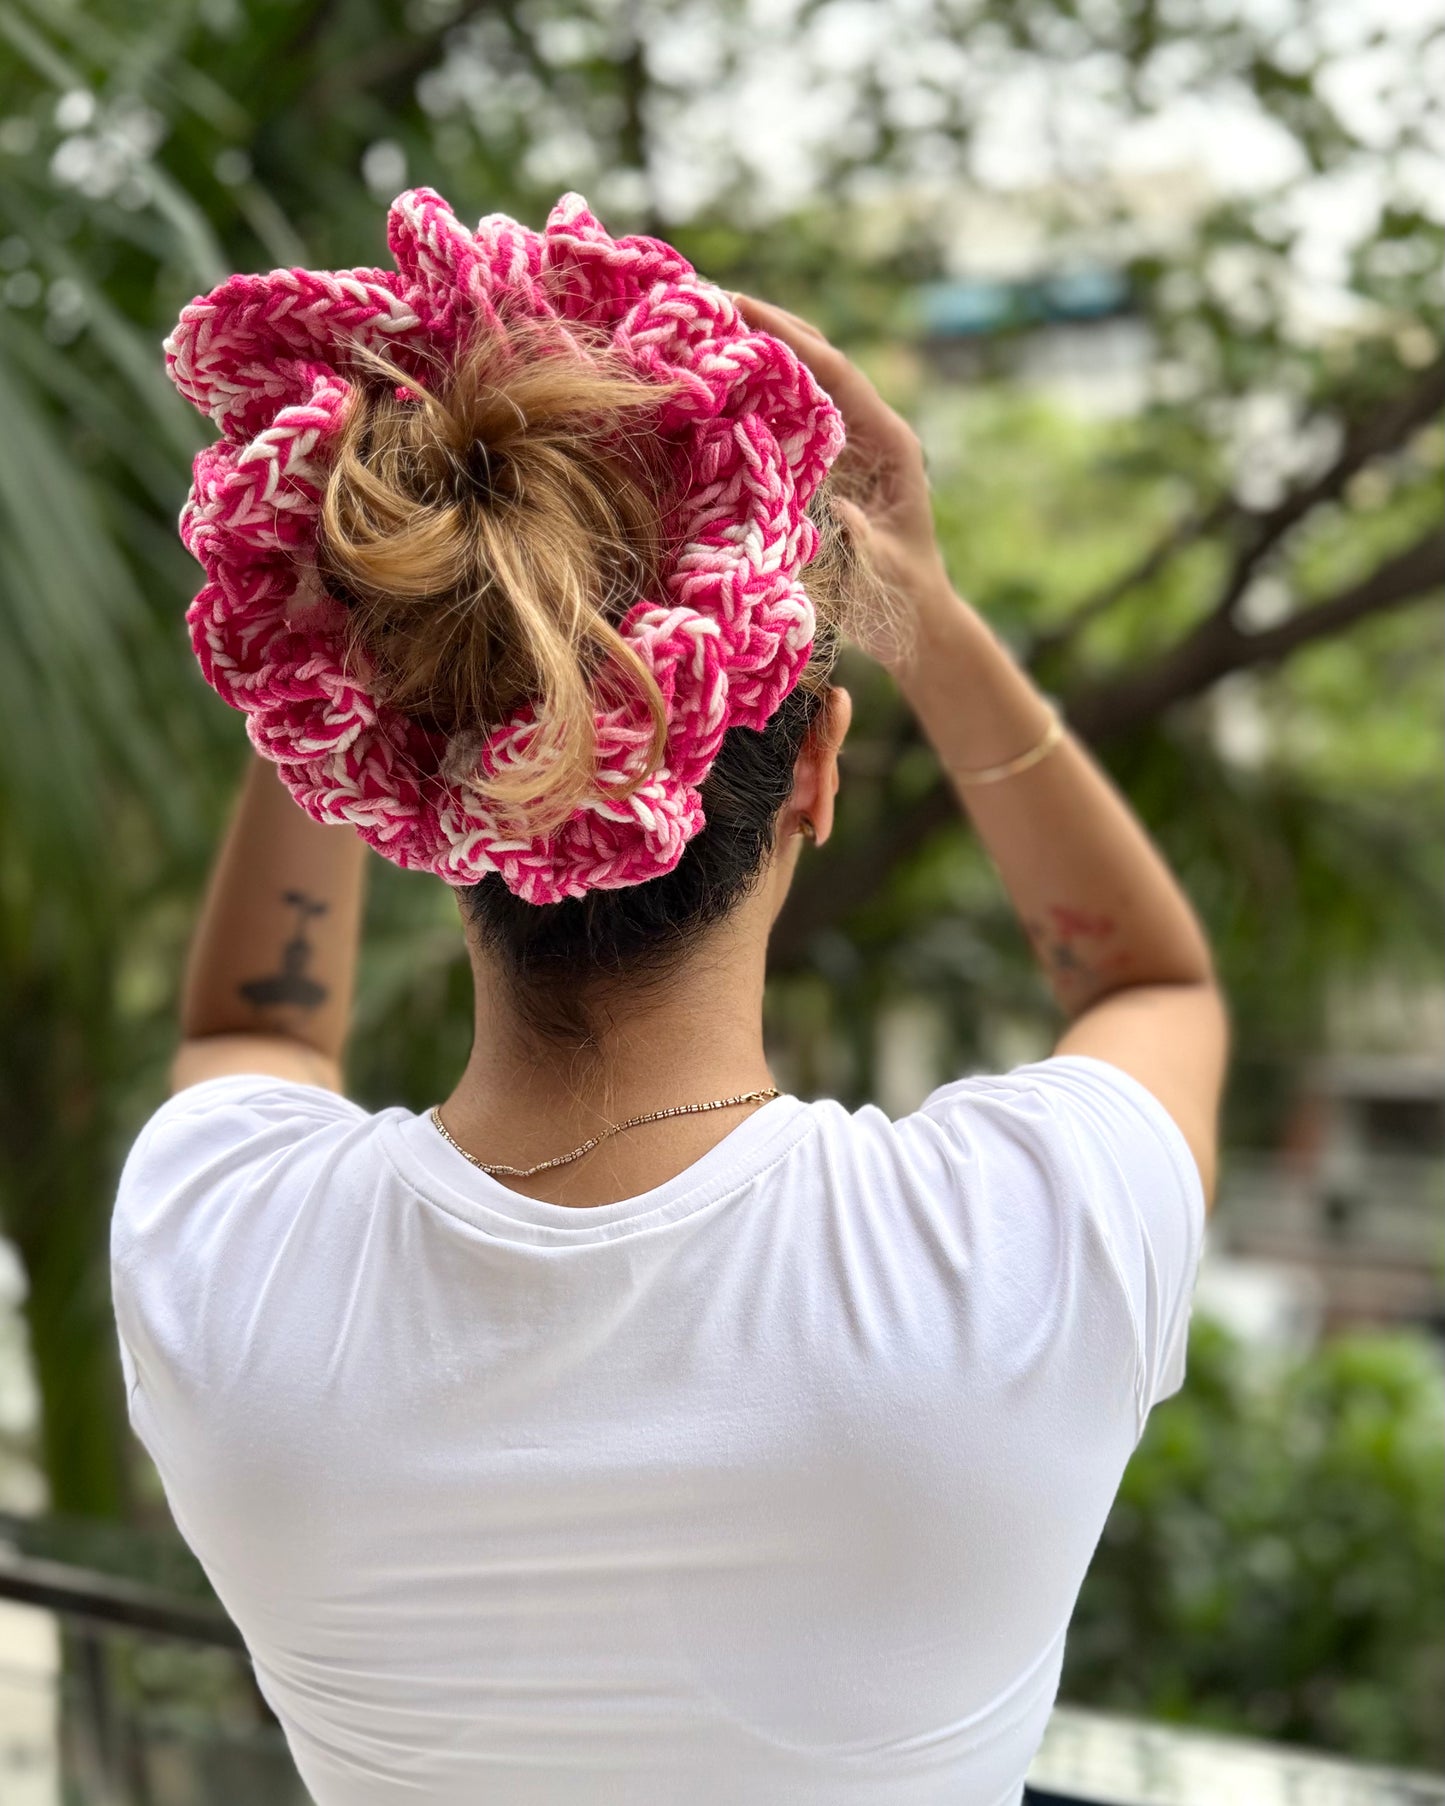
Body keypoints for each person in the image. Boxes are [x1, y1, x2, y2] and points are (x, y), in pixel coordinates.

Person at [112, 194, 1227, 1806]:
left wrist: (341, 638)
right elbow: (1148, 975)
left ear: (405, 782)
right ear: (816, 771)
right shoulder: (1023, 1245)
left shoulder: (225, 1249)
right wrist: (913, 588)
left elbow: (251, 1029)